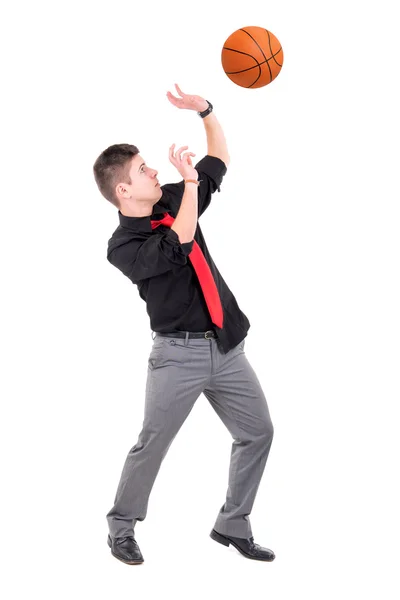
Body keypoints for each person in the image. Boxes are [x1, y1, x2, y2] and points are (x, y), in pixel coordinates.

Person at [92, 84, 275, 565]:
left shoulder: (174, 198)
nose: (155, 171)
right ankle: (121, 527)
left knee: (258, 432)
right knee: (152, 443)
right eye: (143, 170)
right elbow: (180, 244)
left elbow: (219, 160)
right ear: (123, 190)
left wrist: (207, 112)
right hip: (178, 355)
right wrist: (189, 185)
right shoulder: (122, 246)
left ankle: (232, 524)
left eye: (150, 165)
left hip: (227, 345)